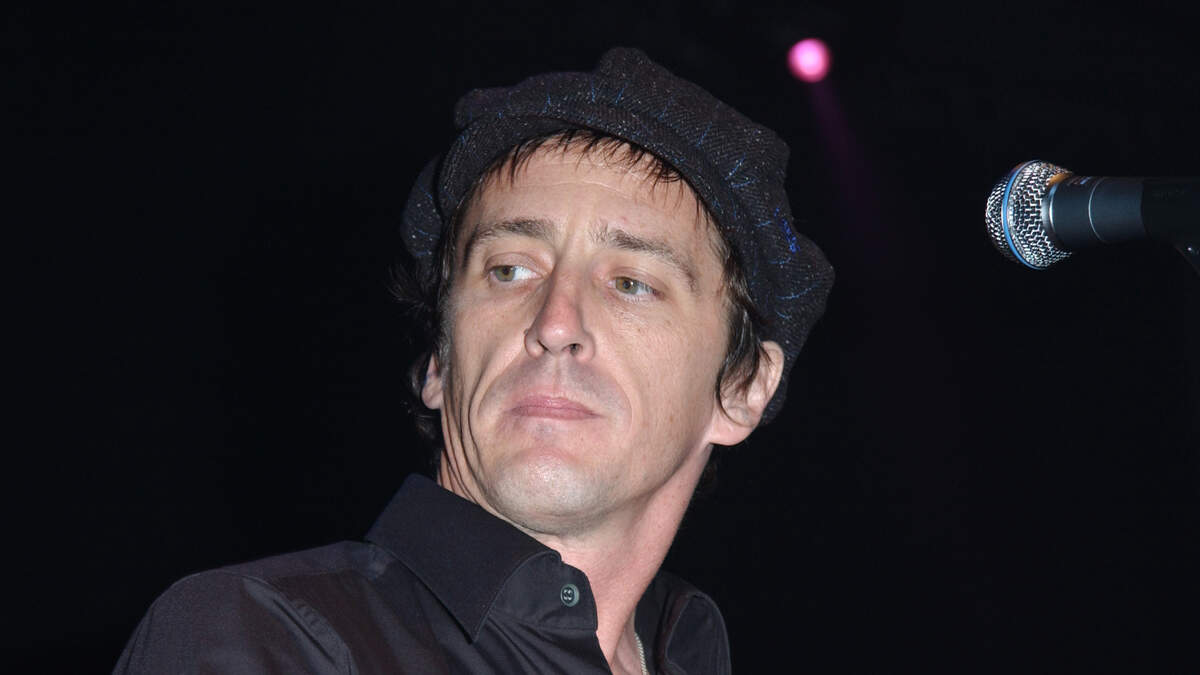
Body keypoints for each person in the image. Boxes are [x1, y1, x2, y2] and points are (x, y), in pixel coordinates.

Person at [115, 47, 833, 674]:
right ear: (438, 359)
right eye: (509, 270)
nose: (556, 323)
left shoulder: (693, 651)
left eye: (631, 283)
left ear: (742, 387)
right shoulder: (265, 636)